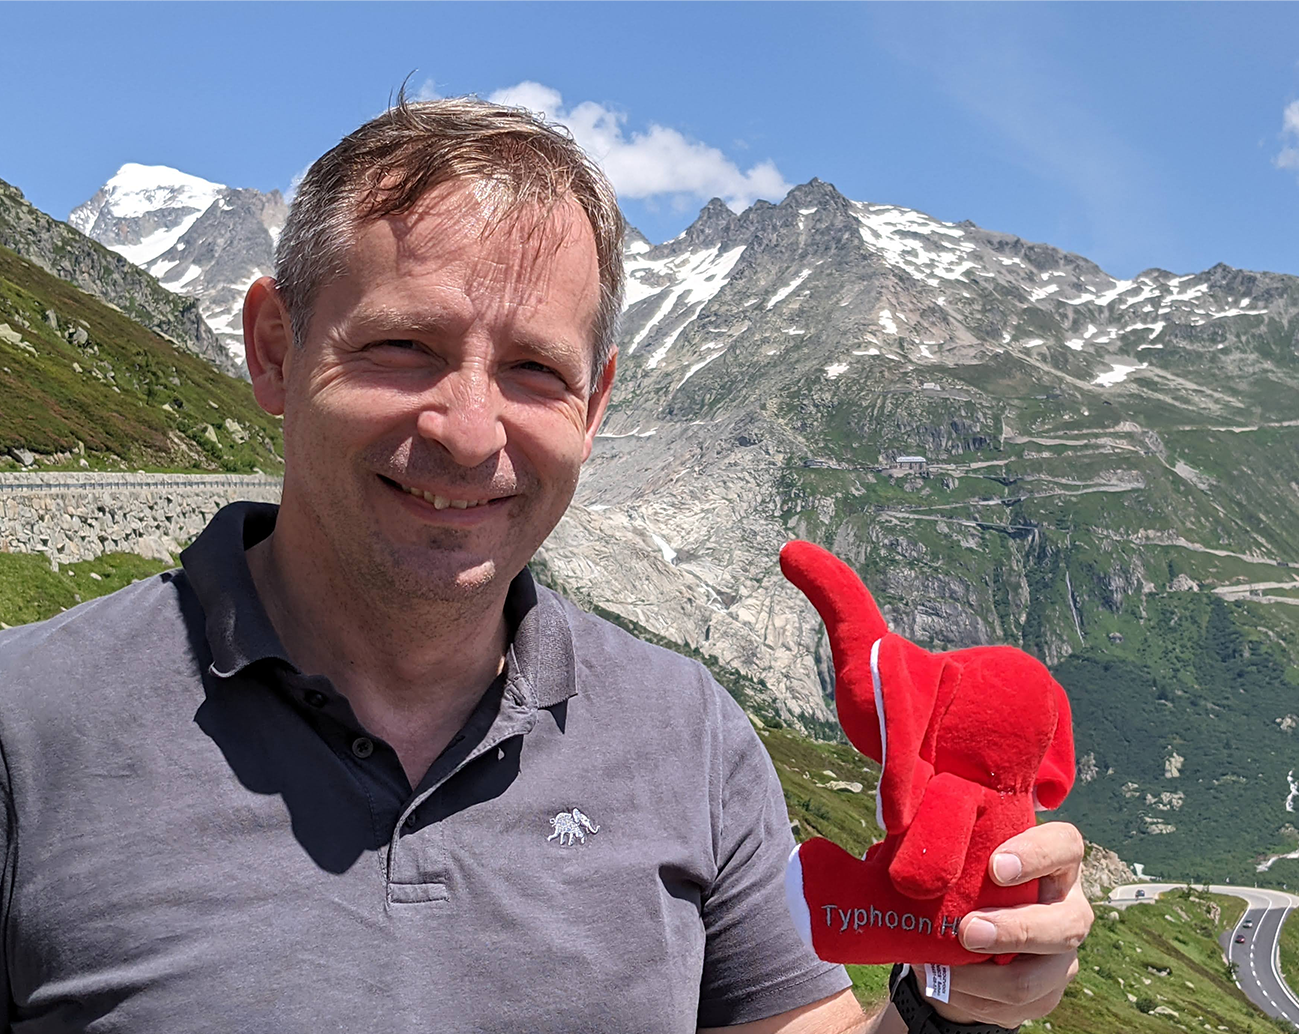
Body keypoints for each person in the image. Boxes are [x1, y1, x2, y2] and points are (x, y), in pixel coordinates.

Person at [0, 97, 1091, 1032]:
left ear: (595, 401)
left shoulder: (690, 736)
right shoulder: (28, 722)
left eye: (532, 369)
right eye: (402, 346)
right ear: (275, 350)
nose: (470, 430)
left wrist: (948, 1001)